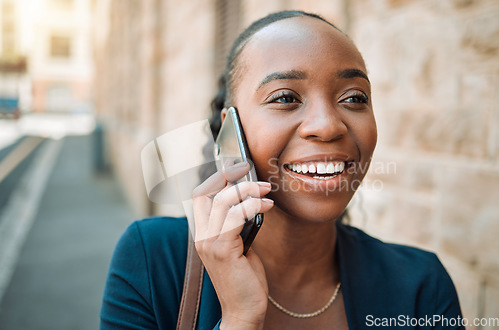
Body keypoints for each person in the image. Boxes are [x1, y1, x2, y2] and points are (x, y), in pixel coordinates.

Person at [100, 10, 464, 329]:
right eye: (286, 98)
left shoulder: (422, 286)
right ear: (232, 131)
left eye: (353, 97)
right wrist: (240, 320)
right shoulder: (153, 260)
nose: (327, 126)